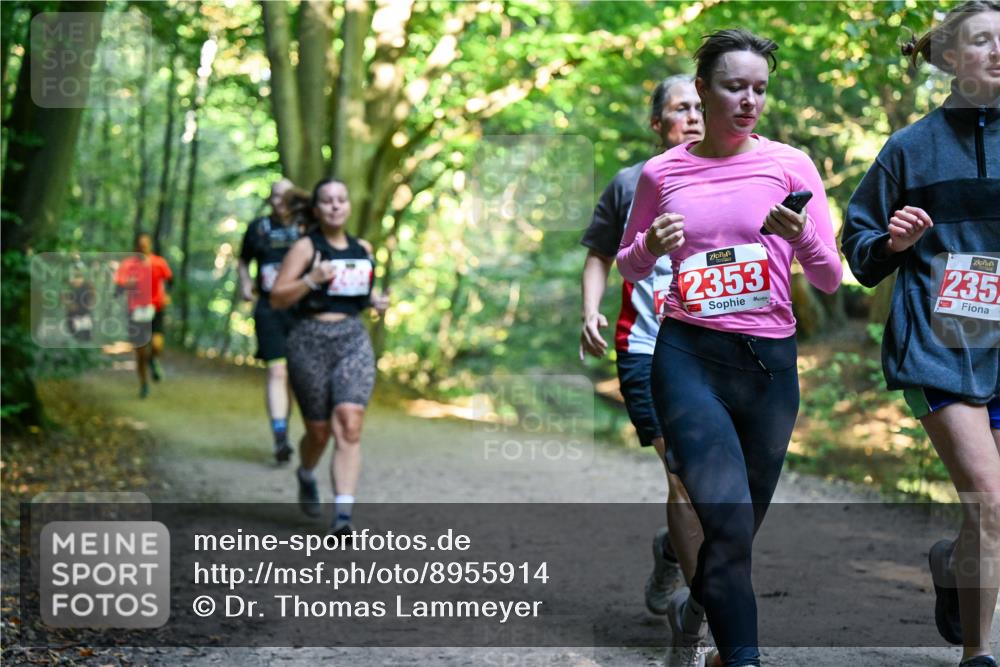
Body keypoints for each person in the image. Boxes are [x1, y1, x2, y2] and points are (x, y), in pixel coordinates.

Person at [617, 29, 842, 667]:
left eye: (760, 90)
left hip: (769, 366)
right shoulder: (662, 174)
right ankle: (742, 658)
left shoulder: (790, 165)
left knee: (737, 533)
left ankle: (697, 613)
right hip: (688, 356)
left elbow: (828, 277)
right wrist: (651, 247)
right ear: (703, 91)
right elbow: (630, 266)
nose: (749, 101)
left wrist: (801, 240)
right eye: (734, 87)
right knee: (728, 523)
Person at [842, 4, 1000, 666]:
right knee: (991, 499)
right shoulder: (909, 148)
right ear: (950, 58)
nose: (999, 51)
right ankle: (979, 653)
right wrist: (893, 241)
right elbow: (858, 245)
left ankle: (951, 566)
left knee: (986, 511)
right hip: (938, 343)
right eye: (983, 40)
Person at [578, 75, 706, 617]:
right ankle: (702, 613)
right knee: (683, 473)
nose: (695, 117)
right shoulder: (631, 183)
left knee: (711, 486)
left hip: (715, 352)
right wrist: (591, 309)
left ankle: (670, 549)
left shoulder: (736, 175)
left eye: (701, 106)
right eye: (681, 109)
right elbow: (599, 254)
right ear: (657, 123)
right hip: (646, 346)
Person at [270, 178, 390, 536]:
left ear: (349, 205)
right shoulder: (306, 249)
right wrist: (311, 279)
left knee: (349, 423)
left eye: (341, 199)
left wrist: (375, 302)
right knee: (318, 433)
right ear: (317, 209)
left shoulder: (363, 248)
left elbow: (360, 295)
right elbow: (277, 298)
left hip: (352, 338)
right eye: (327, 201)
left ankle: (342, 516)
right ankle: (306, 473)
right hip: (309, 341)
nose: (335, 206)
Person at [239, 177, 304, 463]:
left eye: (286, 196)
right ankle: (280, 438)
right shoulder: (258, 229)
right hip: (269, 309)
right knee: (277, 373)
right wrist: (244, 284)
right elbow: (243, 260)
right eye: (275, 196)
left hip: (303, 312)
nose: (280, 201)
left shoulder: (307, 228)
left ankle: (295, 430)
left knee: (296, 377)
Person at [114, 231, 173, 398]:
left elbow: (170, 281)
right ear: (136, 247)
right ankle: (144, 384)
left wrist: (167, 294)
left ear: (150, 245)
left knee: (156, 345)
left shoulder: (159, 262)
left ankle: (153, 360)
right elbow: (117, 290)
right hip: (135, 311)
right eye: (140, 246)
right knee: (140, 352)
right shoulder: (127, 265)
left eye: (146, 245)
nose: (143, 248)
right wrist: (127, 286)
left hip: (156, 309)